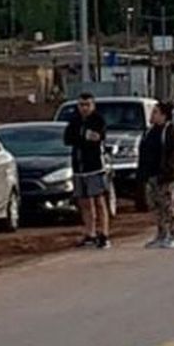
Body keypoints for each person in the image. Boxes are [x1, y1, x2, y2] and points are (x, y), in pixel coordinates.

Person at [63, 92, 111, 249]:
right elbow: (68, 138)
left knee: (99, 201)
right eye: (81, 105)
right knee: (84, 202)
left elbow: (97, 137)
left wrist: (83, 137)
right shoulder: (74, 121)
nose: (84, 108)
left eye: (87, 105)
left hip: (94, 167)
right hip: (78, 167)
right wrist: (83, 136)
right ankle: (89, 233)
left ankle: (103, 233)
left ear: (93, 105)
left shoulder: (98, 120)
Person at [138, 102, 174, 249]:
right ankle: (161, 234)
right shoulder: (149, 132)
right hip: (151, 175)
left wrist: (169, 172)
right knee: (155, 206)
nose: (152, 115)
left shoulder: (172, 132)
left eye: (155, 112)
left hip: (167, 176)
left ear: (164, 115)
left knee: (167, 205)